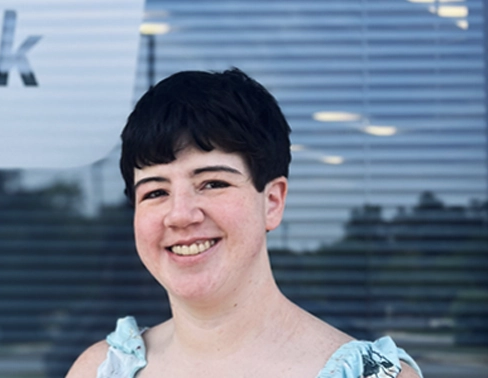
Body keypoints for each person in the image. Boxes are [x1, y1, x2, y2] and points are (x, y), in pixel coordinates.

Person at [66, 68, 423, 378]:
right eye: (155, 192)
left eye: (212, 183)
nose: (180, 214)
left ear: (272, 202)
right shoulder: (101, 370)